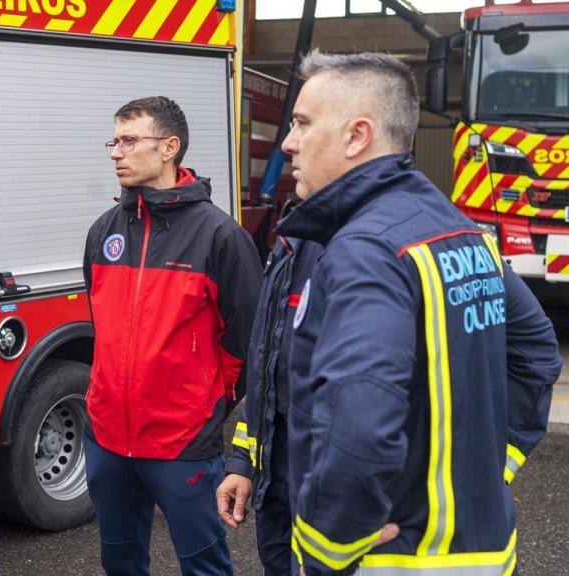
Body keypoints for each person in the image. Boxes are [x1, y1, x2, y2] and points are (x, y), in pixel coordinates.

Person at [275, 50, 561, 576]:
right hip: (485, 548)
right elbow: (538, 352)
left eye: (301, 123)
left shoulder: (366, 249)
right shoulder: (453, 226)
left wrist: (325, 550)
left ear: (356, 136)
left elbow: (357, 426)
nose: (289, 142)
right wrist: (487, 466)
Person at [83, 96, 261, 576]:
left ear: (169, 147)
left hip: (181, 442)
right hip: (107, 440)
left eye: (129, 140)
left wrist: (203, 404)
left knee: (203, 565)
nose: (116, 152)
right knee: (120, 560)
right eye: (114, 141)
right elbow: (104, 328)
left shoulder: (219, 237)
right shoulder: (104, 231)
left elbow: (246, 347)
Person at [217, 232, 323, 575]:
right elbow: (266, 369)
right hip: (276, 483)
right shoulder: (293, 240)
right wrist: (243, 461)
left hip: (327, 498)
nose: (291, 173)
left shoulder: (370, 245)